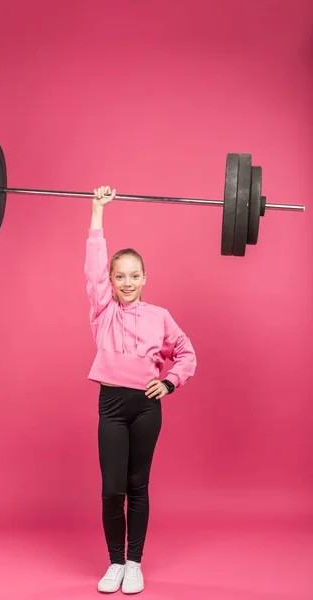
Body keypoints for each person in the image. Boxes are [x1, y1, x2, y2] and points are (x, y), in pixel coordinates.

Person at [84, 185, 197, 594]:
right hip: (112, 405)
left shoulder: (160, 316)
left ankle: (134, 563)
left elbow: (186, 355)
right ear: (110, 282)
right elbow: (93, 265)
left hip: (146, 407)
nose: (126, 282)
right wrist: (98, 211)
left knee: (138, 486)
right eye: (119, 277)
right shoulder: (103, 312)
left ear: (145, 277)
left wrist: (169, 381)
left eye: (134, 276)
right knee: (112, 489)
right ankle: (115, 562)